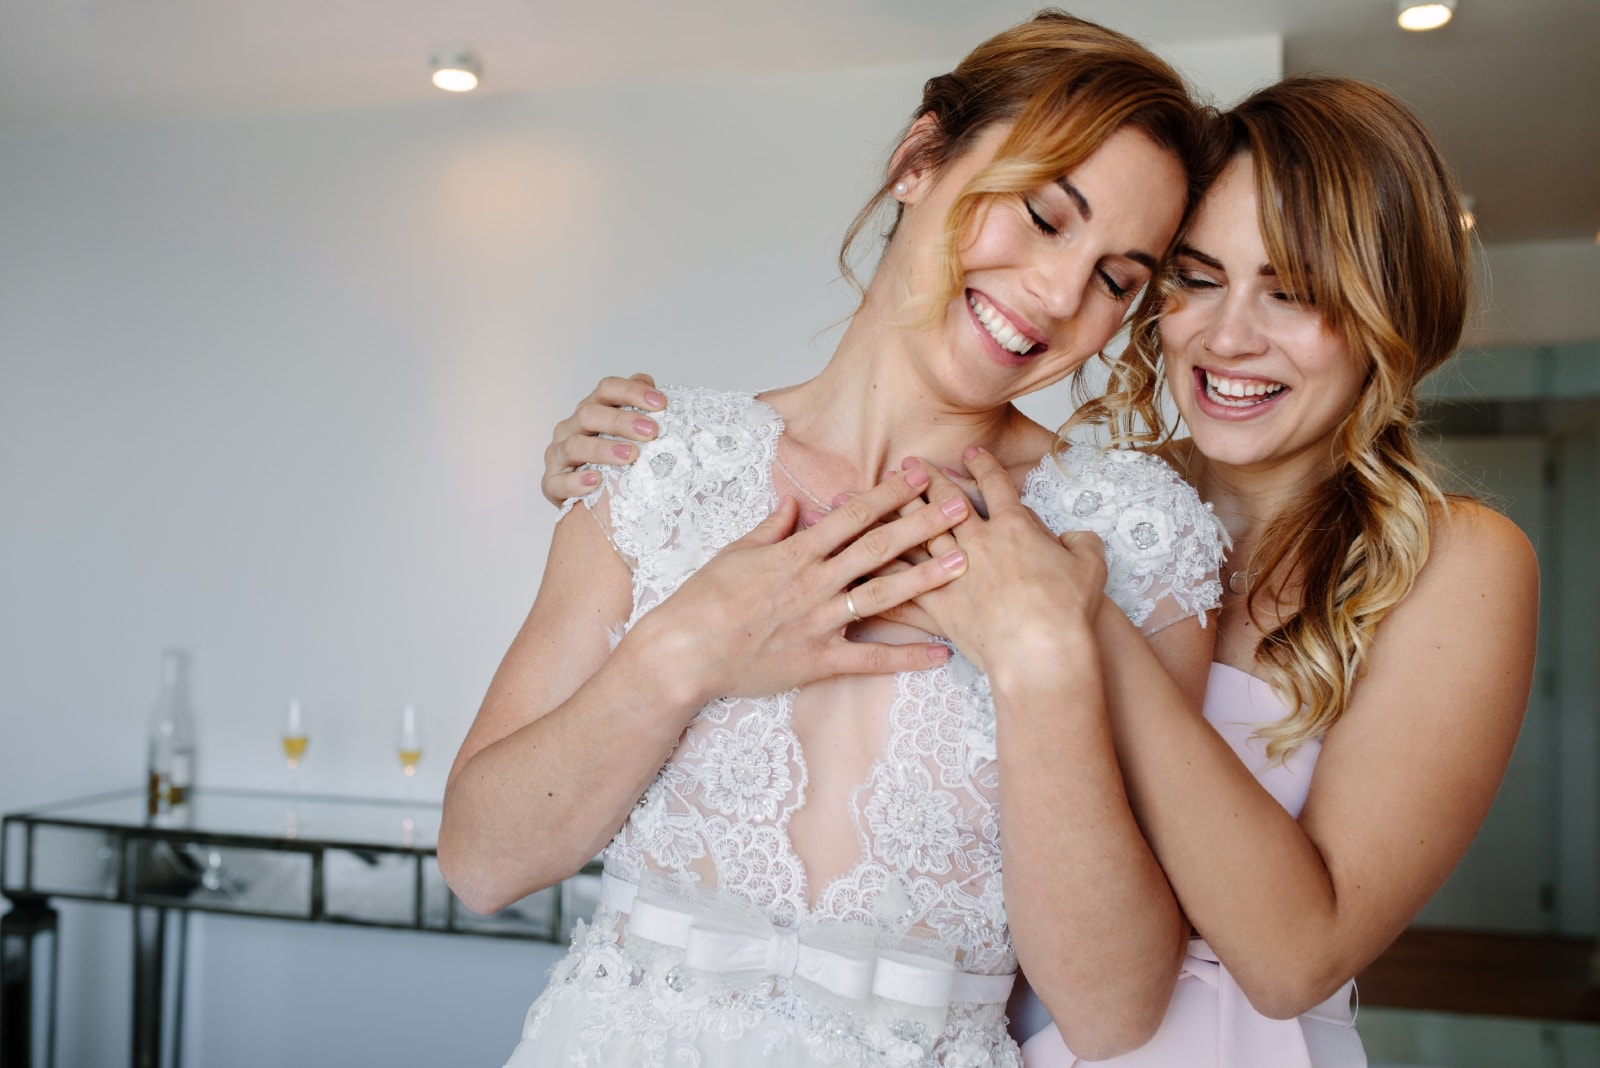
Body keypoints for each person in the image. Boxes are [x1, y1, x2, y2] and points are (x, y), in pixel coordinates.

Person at [537, 75, 1540, 1067]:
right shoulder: (1095, 507)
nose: (1228, 337)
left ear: (1387, 316)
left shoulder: (1457, 562)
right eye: (1193, 277)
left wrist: (1070, 627)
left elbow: (1292, 959)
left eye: (1294, 293)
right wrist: (648, 462)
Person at [440, 10, 1230, 1067]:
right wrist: (685, 651)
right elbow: (481, 862)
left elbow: (1113, 1012)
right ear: (917, 159)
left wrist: (1043, 667)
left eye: (1115, 279)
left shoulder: (1129, 535)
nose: (1057, 295)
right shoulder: (660, 463)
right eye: (1043, 216)